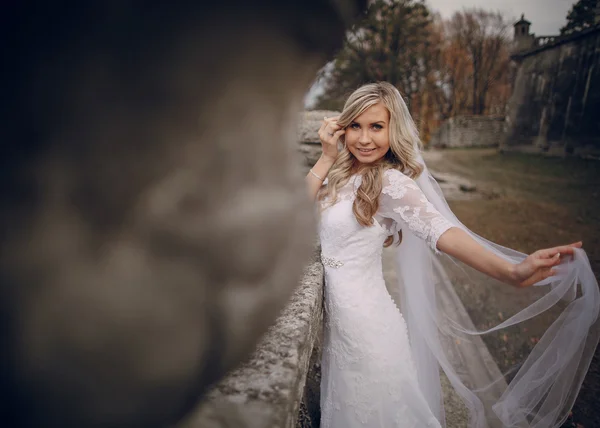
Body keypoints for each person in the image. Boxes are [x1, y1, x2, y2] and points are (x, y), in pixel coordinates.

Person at [305, 82, 599, 428]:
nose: (364, 139)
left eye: (377, 127)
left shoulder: (391, 183)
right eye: (356, 126)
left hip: (367, 331)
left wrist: (512, 271)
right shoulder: (342, 173)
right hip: (344, 330)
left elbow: (441, 230)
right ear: (343, 127)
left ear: (393, 130)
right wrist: (326, 157)